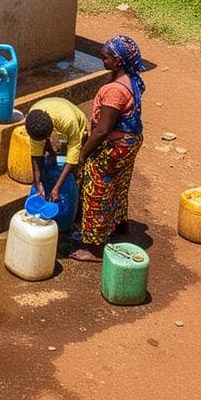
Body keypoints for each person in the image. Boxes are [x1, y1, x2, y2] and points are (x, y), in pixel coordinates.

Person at [68, 36, 147, 263]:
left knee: (98, 188)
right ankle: (119, 223)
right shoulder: (131, 79)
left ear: (118, 61)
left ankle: (94, 247)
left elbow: (102, 130)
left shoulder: (115, 91)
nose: (102, 60)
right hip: (131, 142)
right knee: (119, 183)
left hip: (115, 145)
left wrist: (83, 155)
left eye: (106, 58)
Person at [24, 99, 86, 233]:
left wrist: (57, 187)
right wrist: (38, 182)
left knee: (78, 164)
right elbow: (35, 154)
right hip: (51, 116)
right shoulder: (33, 120)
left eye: (46, 138)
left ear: (52, 129)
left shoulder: (68, 122)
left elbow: (72, 156)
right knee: (47, 158)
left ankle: (79, 208)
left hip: (78, 127)